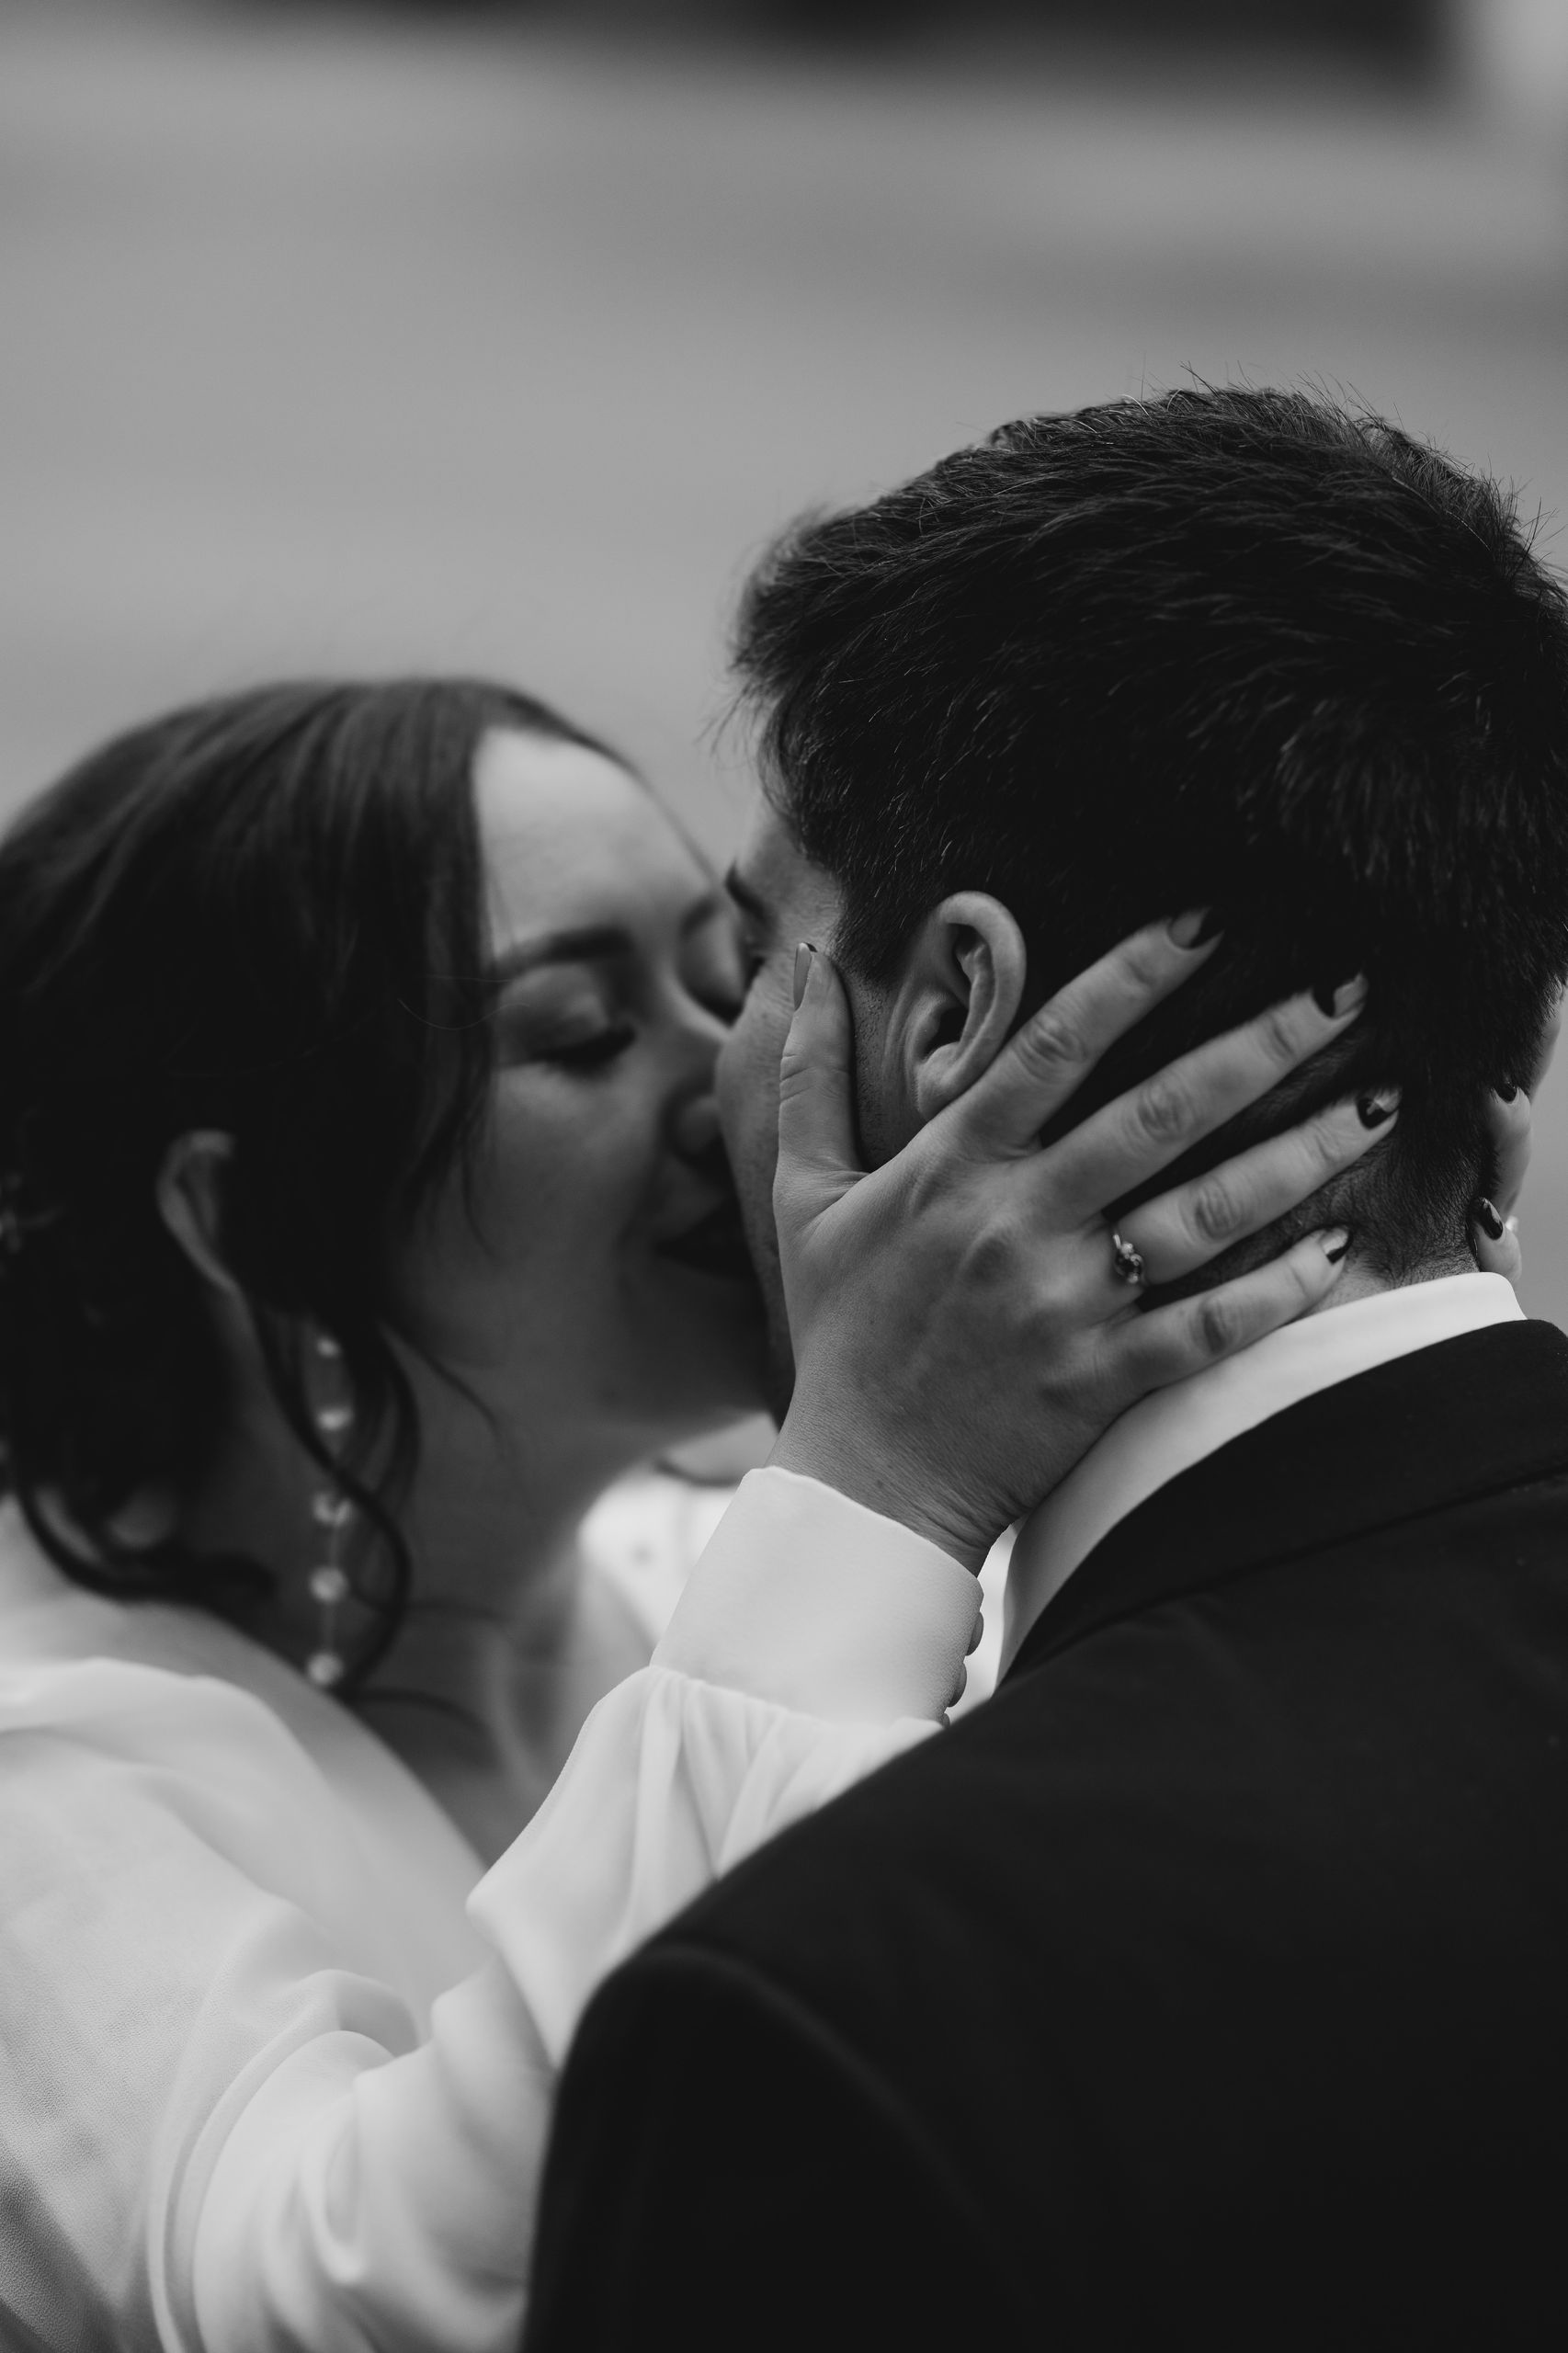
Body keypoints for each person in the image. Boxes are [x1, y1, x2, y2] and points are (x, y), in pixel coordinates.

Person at [0, 675, 1399, 2349]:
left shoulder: (753, 1582)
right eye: (582, 1031)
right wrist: (878, 1473)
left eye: (732, 974)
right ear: (237, 1220)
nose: (744, 1075)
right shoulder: (41, 1776)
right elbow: (318, 2311)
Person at [523, 387, 1568, 2350]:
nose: (701, 1074)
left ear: (950, 1013)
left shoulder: (830, 2012)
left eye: (751, 962)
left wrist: (862, 1488)